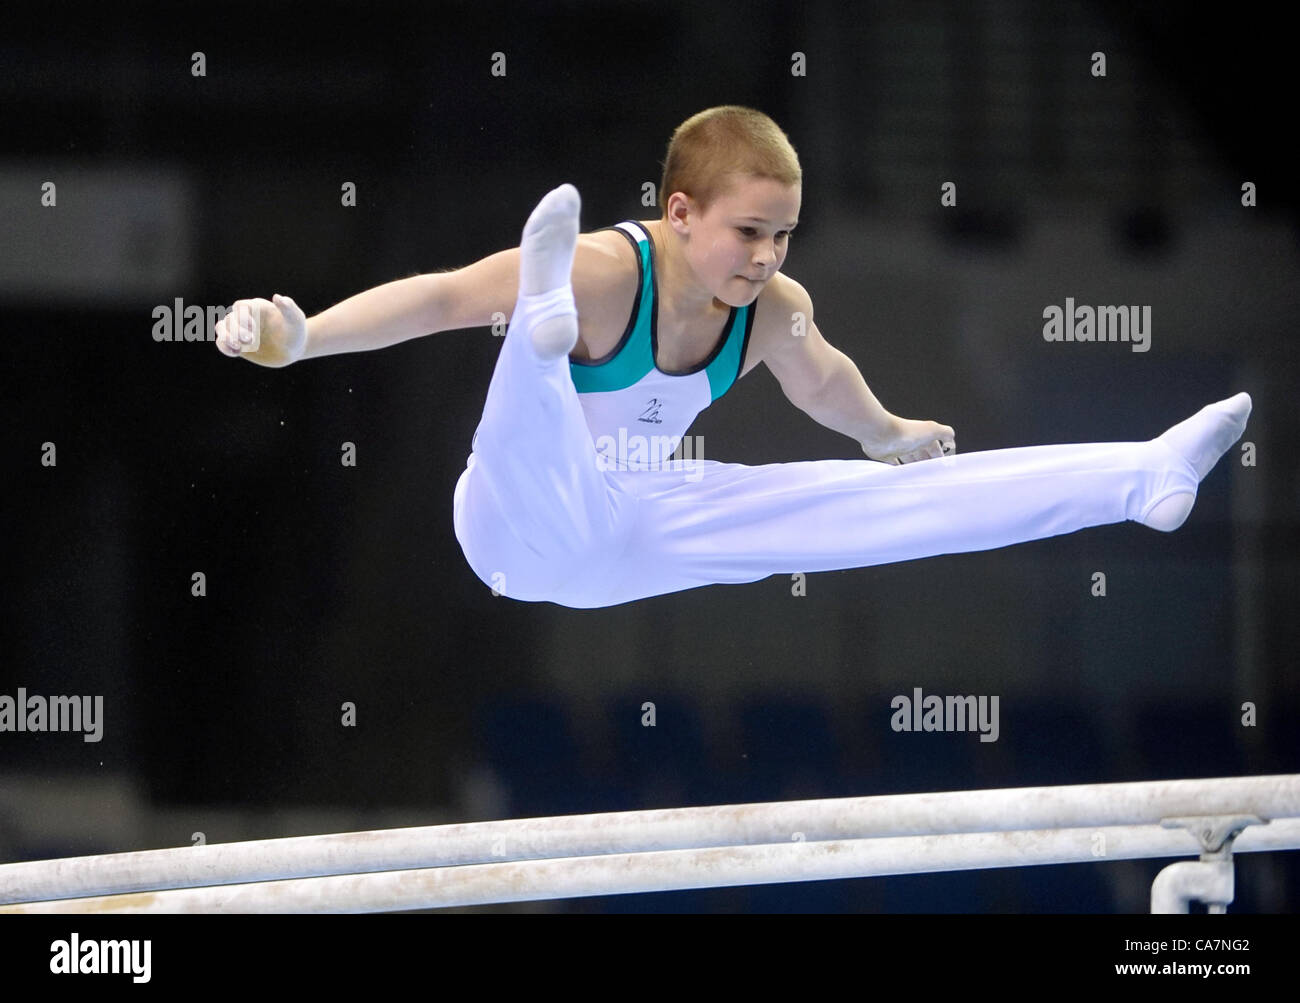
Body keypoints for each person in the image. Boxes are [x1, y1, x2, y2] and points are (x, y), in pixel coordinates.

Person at [215, 106, 1252, 610]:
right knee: (531, 392)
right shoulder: (610, 273)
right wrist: (305, 335)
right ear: (678, 213)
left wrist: (888, 437)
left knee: (849, 505)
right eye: (749, 232)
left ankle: (1138, 476)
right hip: (511, 530)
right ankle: (535, 329)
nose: (766, 257)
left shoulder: (770, 310)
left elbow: (825, 381)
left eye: (784, 235)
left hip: (644, 522)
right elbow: (438, 299)